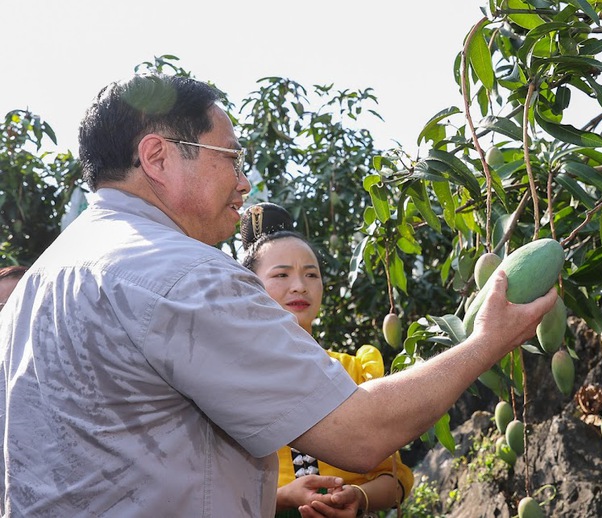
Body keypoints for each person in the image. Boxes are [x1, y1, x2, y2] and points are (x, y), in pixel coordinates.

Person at [0, 73, 557, 517]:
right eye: (230, 158)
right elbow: (361, 434)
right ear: (157, 157)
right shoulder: (180, 274)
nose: (244, 182)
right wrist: (488, 340)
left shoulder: (41, 282)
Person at [240, 203, 414, 517]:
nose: (299, 286)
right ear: (249, 287)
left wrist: (359, 497)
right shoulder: (224, 378)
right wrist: (279, 498)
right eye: (281, 274)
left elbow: (395, 478)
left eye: (311, 274)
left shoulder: (355, 369)